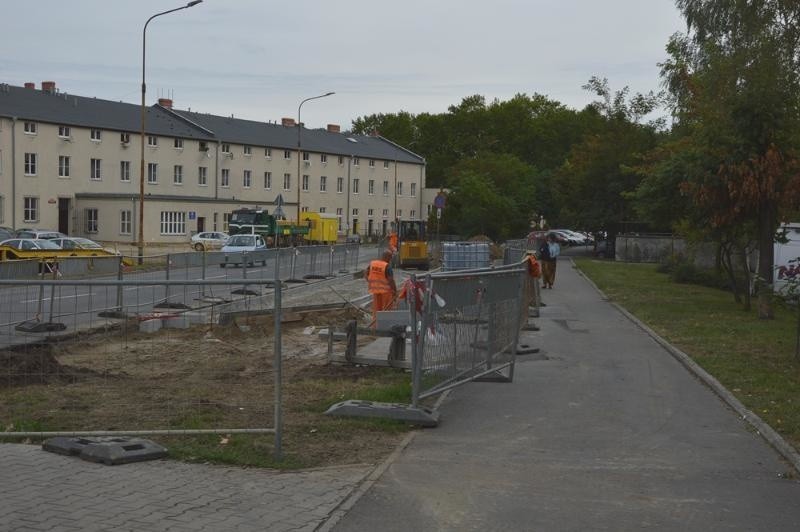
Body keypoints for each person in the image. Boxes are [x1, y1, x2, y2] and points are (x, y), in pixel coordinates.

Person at [366, 250, 397, 327]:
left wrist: (369, 281)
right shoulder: (387, 266)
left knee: (377, 310)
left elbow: (366, 272)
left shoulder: (373, 264)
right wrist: (395, 291)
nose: (390, 259)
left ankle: (376, 327)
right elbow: (391, 280)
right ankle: (386, 327)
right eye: (390, 257)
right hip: (386, 292)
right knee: (386, 310)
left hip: (375, 291)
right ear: (386, 257)